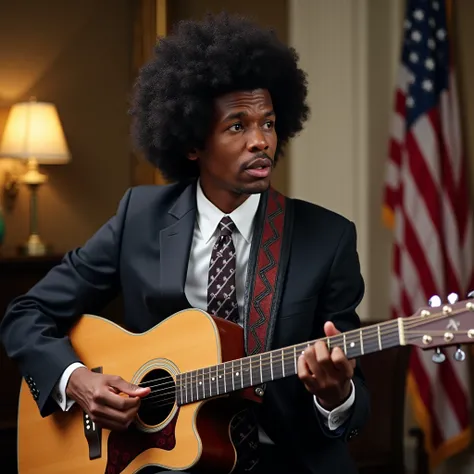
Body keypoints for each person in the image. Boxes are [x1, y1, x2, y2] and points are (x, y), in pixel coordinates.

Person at [0, 12, 370, 474]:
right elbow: (26, 315)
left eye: (269, 123)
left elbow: (356, 409)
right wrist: (77, 382)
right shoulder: (140, 217)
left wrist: (335, 395)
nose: (261, 142)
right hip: (151, 461)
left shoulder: (328, 238)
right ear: (192, 142)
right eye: (238, 126)